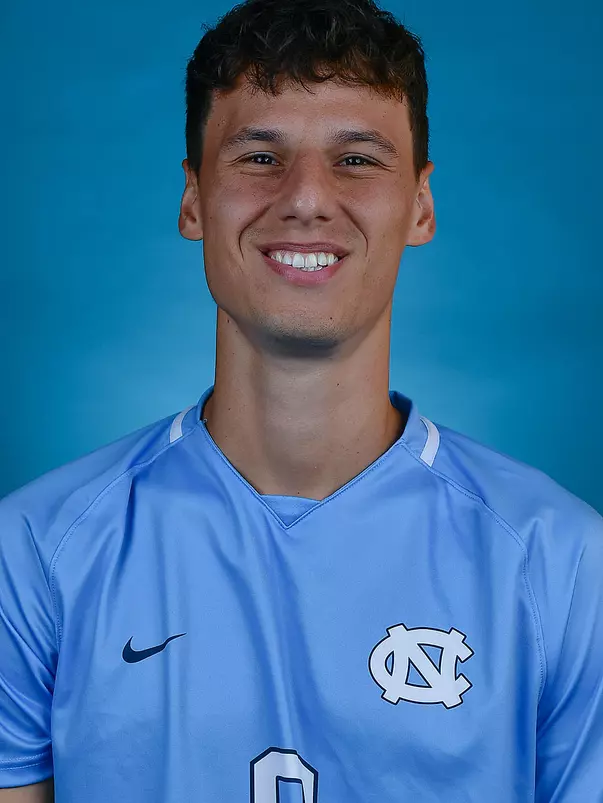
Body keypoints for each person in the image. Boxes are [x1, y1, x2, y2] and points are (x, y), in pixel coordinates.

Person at [1, 0, 602, 799]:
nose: (306, 198)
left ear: (420, 206)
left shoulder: (561, 563)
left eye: (355, 159)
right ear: (192, 199)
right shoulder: (36, 551)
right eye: (259, 157)